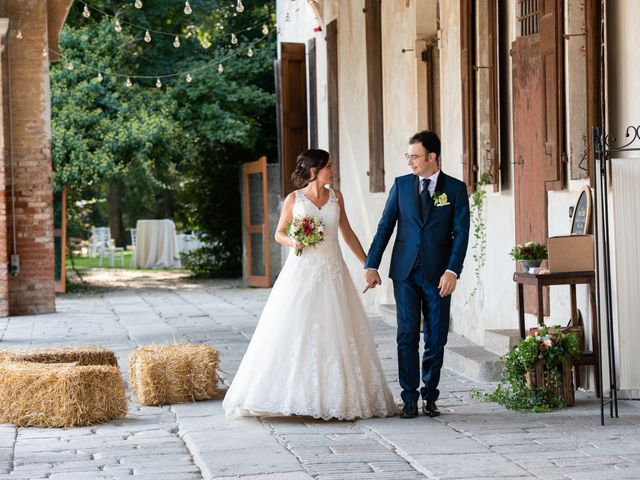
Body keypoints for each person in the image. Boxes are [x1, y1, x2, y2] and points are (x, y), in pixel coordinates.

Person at [223, 149, 396, 420]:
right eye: (329, 166)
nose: (333, 170)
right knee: (294, 329)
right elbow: (279, 232)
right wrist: (294, 241)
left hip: (333, 271)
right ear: (314, 169)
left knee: (336, 330)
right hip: (302, 271)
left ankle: (336, 398)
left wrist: (368, 264)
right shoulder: (295, 199)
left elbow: (346, 232)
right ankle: (291, 395)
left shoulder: (336, 197)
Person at [364, 130, 470, 419]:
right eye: (408, 156)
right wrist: (371, 265)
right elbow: (385, 227)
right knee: (407, 334)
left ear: (432, 156)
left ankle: (430, 396)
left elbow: (461, 234)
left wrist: (452, 271)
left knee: (436, 337)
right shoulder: (400, 186)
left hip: (439, 275)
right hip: (405, 272)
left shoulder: (455, 189)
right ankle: (408, 397)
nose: (409, 162)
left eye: (414, 156)